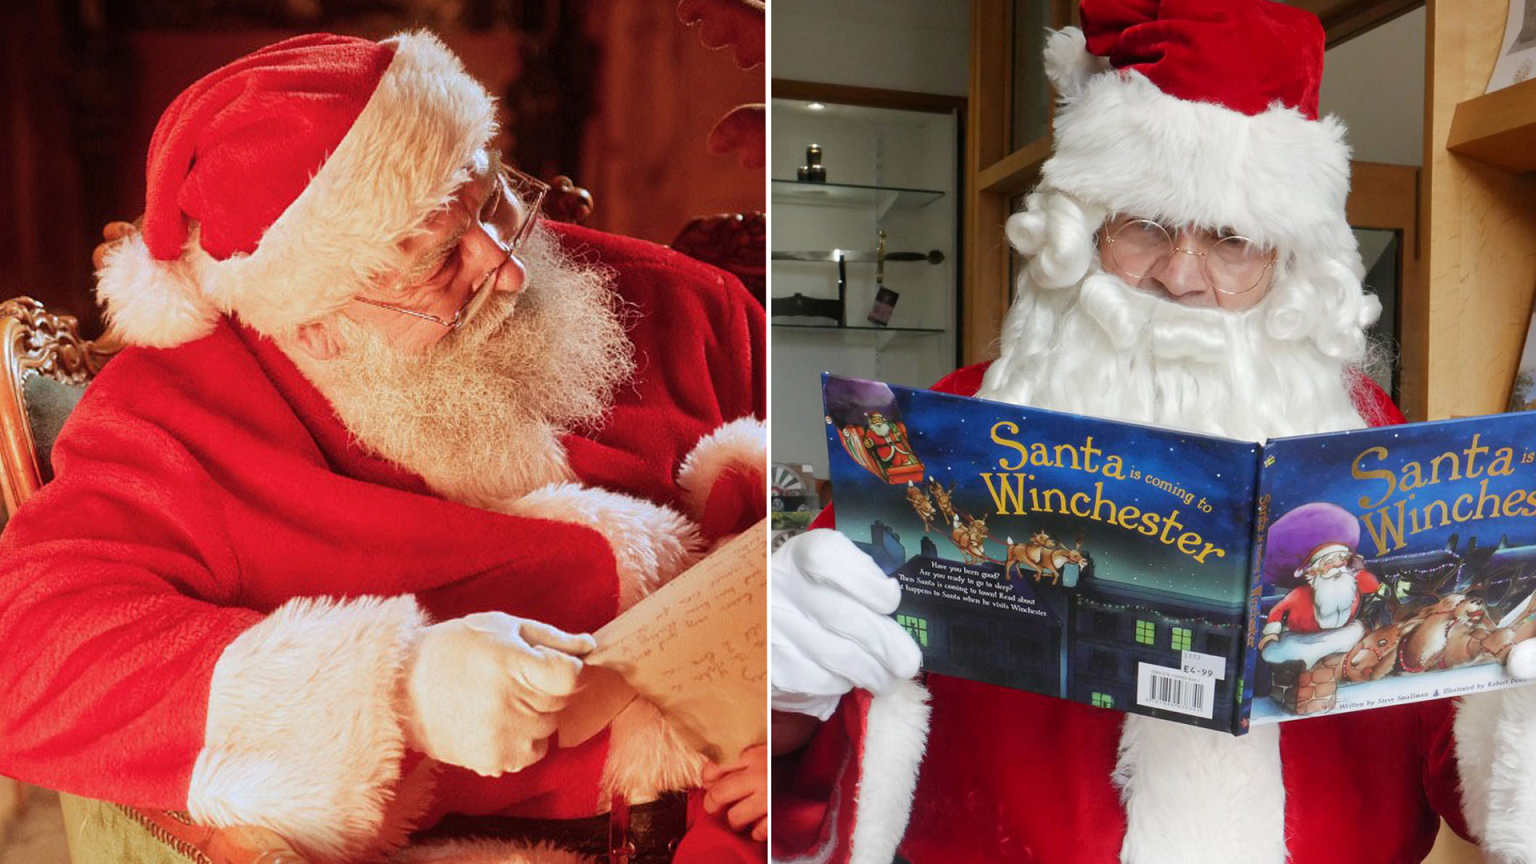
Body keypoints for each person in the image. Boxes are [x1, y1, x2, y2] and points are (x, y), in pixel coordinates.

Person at [769, 3, 1536, 863]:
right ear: (1082, 234)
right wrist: (786, 689)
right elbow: (792, 760)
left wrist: (1522, 700)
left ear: (1287, 264)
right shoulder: (940, 436)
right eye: (1145, 226)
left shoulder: (1370, 446)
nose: (1181, 278)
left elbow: (1458, 755)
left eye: (1233, 241)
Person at [0, 32, 767, 864]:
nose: (510, 269)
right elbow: (27, 656)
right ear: (312, 320)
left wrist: (814, 723)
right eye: (442, 258)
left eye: (493, 200)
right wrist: (399, 684)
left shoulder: (689, 304)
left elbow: (887, 528)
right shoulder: (179, 415)